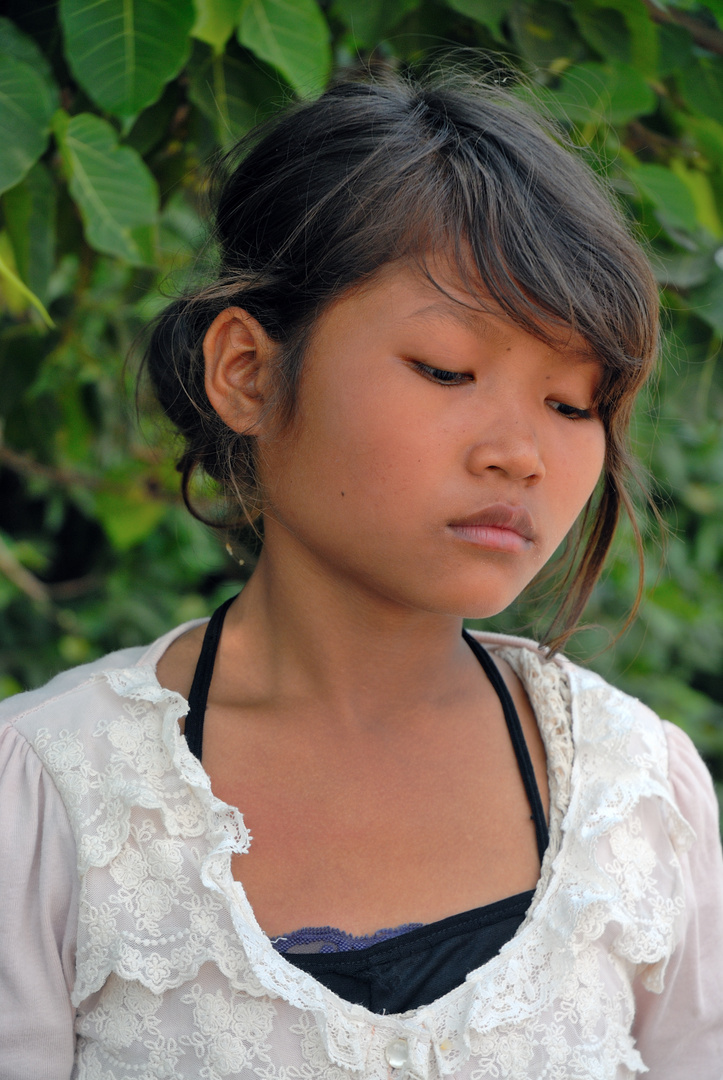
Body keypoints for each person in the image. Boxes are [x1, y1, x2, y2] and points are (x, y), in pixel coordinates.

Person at [1, 71, 722, 1080]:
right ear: (247, 372)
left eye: (571, 403)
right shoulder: (48, 795)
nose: (521, 452)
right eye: (446, 371)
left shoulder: (641, 798)